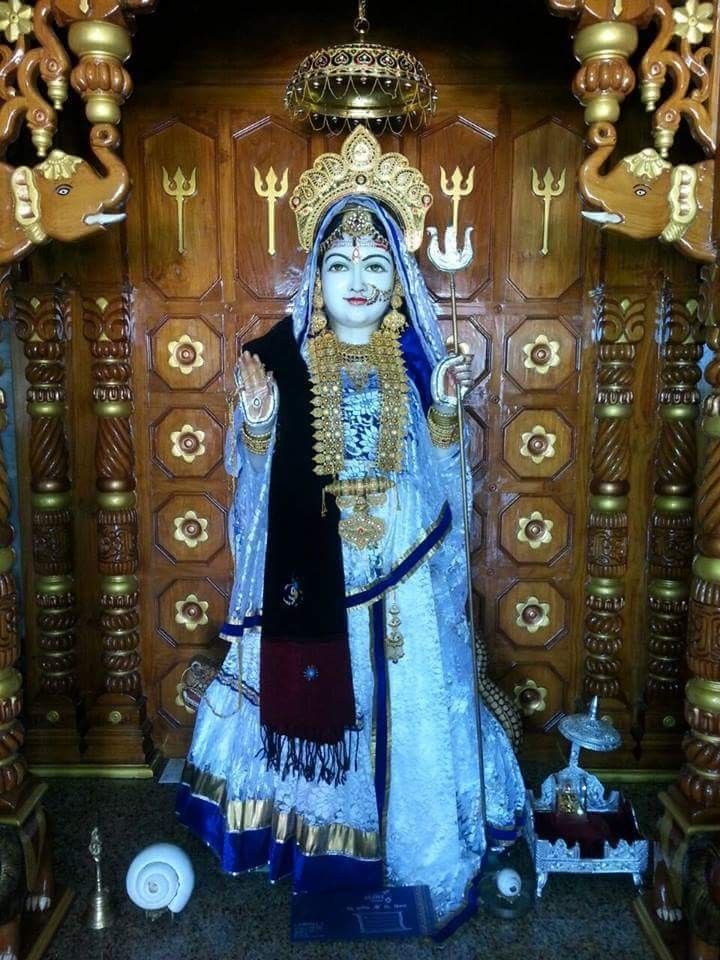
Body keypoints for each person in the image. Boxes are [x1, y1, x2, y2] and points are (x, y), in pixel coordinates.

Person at [176, 128, 525, 935]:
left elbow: (448, 478)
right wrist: (258, 422)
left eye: (375, 265)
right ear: (316, 277)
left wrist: (445, 413)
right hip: (315, 569)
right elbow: (252, 485)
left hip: (402, 570)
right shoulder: (281, 360)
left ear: (398, 277)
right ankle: (324, 855)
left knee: (408, 708)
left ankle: (410, 849)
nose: (359, 282)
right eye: (340, 265)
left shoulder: (416, 361)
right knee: (331, 707)